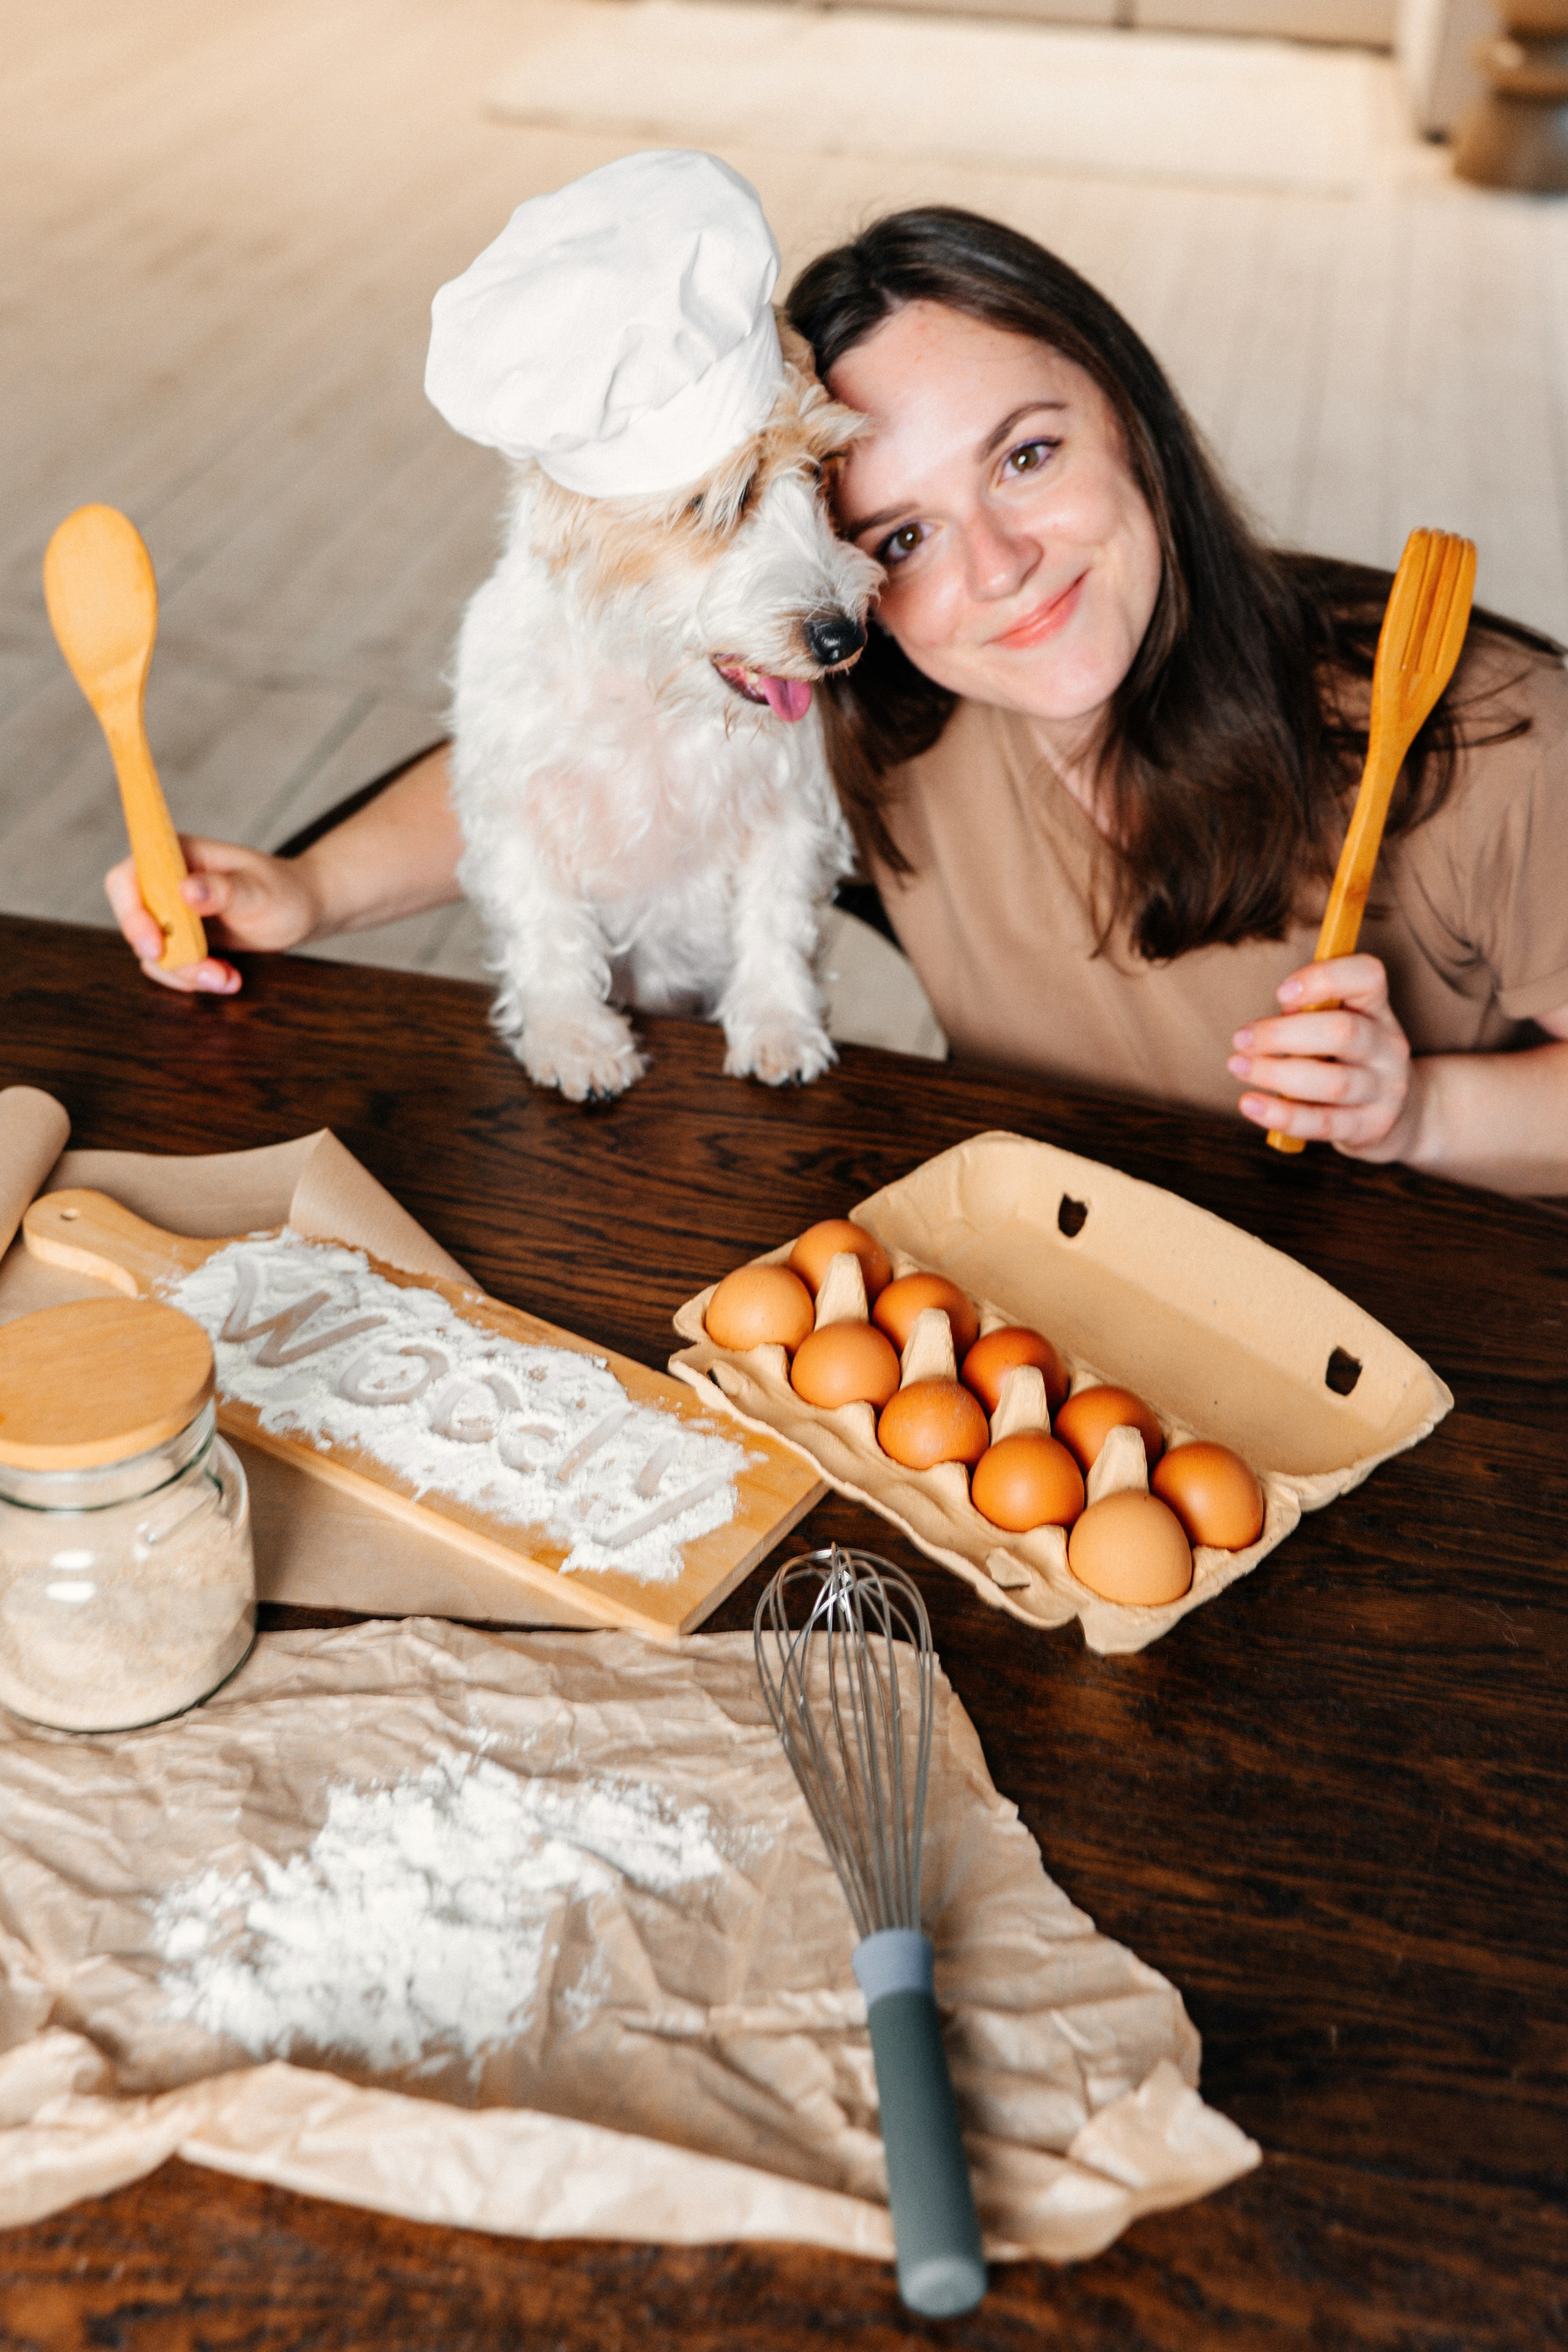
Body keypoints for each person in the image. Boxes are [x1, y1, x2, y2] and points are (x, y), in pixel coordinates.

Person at [107, 207, 1568, 1196]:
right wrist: (306, 889)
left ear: (1130, 410)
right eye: (901, 536)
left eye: (1025, 456)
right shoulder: (895, 711)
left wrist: (1421, 1112)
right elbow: (562, 756)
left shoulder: (1483, 742)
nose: (995, 568)